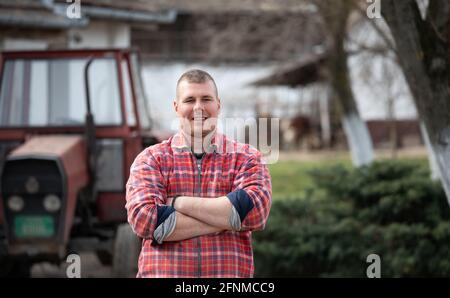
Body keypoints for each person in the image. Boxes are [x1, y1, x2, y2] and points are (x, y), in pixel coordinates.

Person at [125, 69, 272, 278]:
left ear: (218, 105)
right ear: (176, 107)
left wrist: (176, 203)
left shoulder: (247, 158)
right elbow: (145, 220)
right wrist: (227, 218)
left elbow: (254, 211)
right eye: (189, 100)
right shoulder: (151, 159)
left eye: (206, 99)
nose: (198, 107)